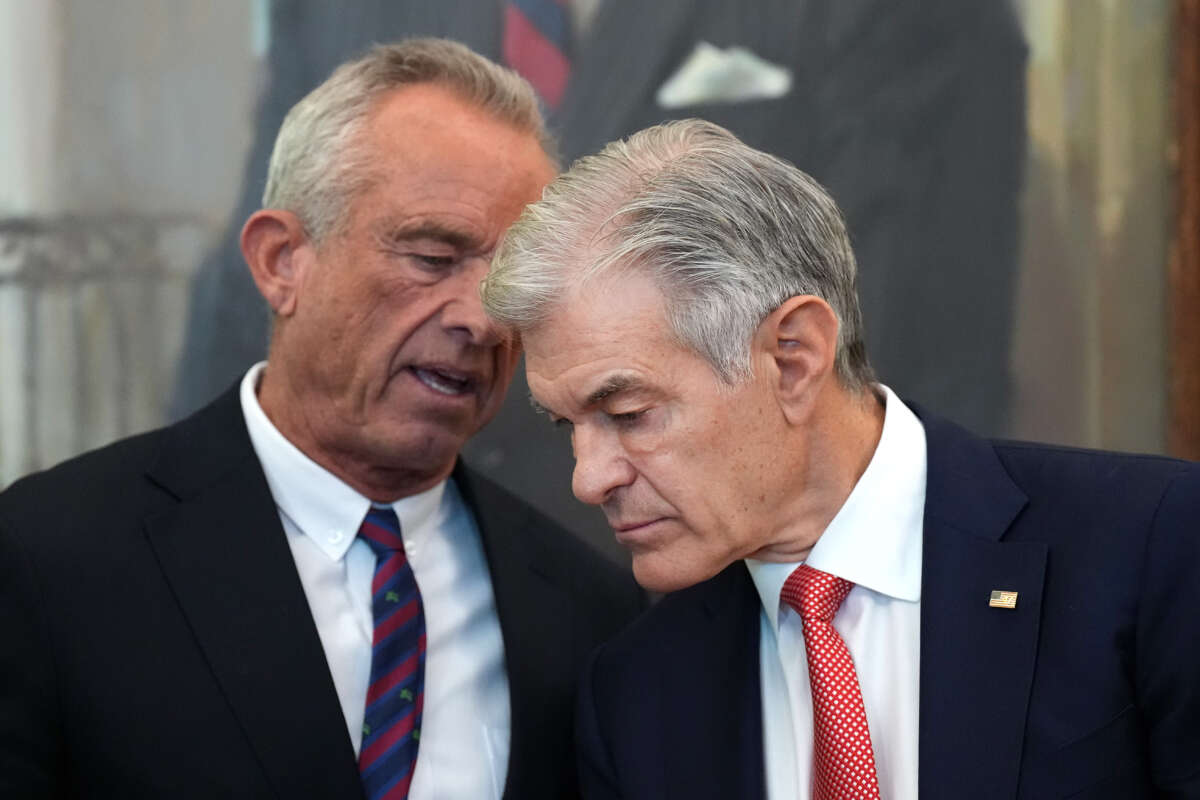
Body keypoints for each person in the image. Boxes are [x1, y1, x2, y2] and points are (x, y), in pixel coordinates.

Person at [480, 119, 1200, 799]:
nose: (588, 477)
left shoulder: (1154, 549)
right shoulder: (636, 696)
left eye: (628, 414)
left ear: (793, 359)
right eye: (566, 426)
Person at [0, 39, 643, 800]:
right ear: (280, 261)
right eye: (433, 257)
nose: (480, 319)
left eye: (512, 283)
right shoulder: (52, 556)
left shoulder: (589, 610)